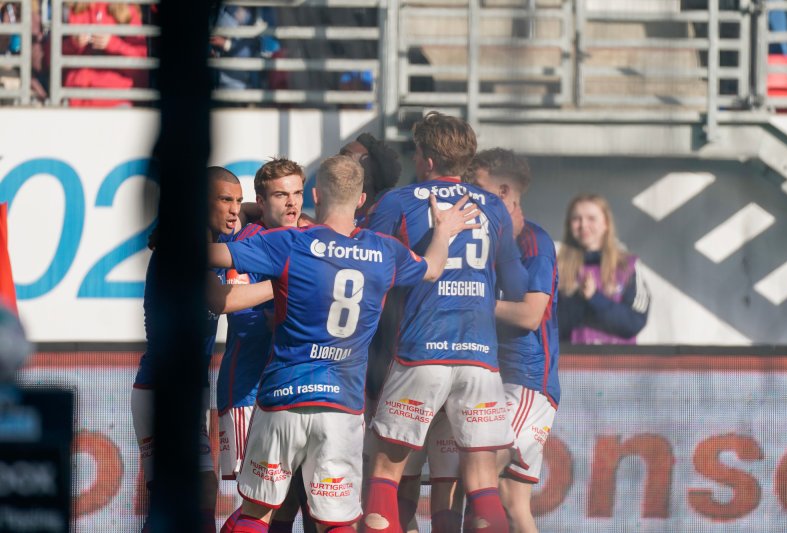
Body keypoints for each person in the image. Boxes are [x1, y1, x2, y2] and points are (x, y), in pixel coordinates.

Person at [208, 155, 479, 533]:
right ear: (362, 200)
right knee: (334, 521)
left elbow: (214, 255)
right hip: (343, 406)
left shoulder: (291, 242)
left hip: (284, 396)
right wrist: (444, 231)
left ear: (315, 196)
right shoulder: (385, 251)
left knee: (257, 511)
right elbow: (432, 268)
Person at [362, 111, 528, 533]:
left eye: (417, 151)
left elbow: (366, 266)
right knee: (481, 480)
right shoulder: (492, 206)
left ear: (428, 161)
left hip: (421, 350)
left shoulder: (398, 202)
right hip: (479, 357)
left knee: (385, 469)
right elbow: (516, 282)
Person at [131, 166, 244, 533]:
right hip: (163, 388)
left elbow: (249, 213)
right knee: (194, 491)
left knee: (188, 495)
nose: (235, 210)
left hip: (183, 388)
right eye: (225, 200)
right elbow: (219, 300)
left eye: (239, 202)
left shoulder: (206, 240)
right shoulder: (185, 247)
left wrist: (252, 210)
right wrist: (291, 282)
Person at [212, 158, 310, 533]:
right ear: (261, 199)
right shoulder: (245, 243)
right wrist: (295, 289)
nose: (291, 203)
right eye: (281, 194)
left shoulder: (314, 237)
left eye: (297, 193)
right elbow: (245, 320)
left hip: (299, 392)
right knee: (260, 503)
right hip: (248, 391)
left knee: (297, 499)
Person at [466, 148, 561, 533]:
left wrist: (468, 299)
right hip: (496, 377)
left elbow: (528, 315)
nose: (468, 196)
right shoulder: (488, 239)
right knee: (512, 502)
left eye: (477, 188)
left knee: (480, 470)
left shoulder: (533, 241)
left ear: (503, 191)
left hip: (525, 383)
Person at [557, 193, 650, 344]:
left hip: (618, 365)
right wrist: (578, 299)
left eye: (591, 218)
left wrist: (595, 298)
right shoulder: (556, 268)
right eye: (576, 219)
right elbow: (546, 326)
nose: (583, 225)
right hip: (571, 364)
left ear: (606, 223)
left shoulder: (628, 266)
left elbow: (634, 322)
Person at [62, 2, 148, 107]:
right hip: (76, 99)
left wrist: (113, 44)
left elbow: (142, 64)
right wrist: (74, 43)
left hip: (115, 101)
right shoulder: (74, 8)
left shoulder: (128, 11)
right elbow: (50, 59)